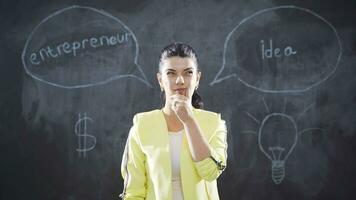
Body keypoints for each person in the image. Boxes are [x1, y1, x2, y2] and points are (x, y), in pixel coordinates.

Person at [119, 42, 228, 200]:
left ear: (197, 78)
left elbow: (211, 172)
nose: (179, 81)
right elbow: (133, 192)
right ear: (160, 80)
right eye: (171, 73)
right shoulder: (141, 126)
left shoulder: (214, 123)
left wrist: (189, 121)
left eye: (188, 73)